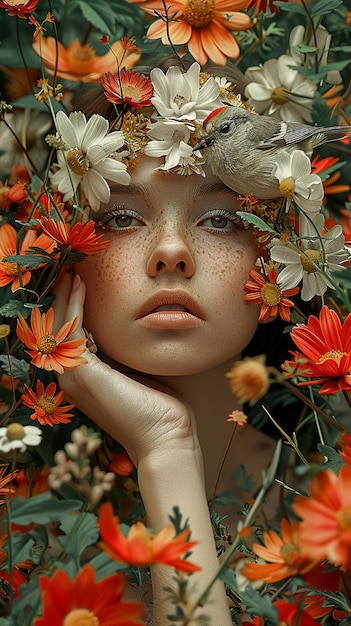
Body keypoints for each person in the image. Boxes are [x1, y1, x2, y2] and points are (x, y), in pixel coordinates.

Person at [51, 62, 297, 623]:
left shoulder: (333, 502)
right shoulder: (19, 517)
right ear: (60, 251)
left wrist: (166, 450)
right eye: (118, 218)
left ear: (280, 258)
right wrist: (165, 447)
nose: (170, 251)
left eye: (217, 218)